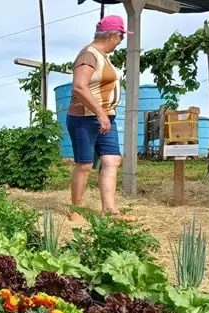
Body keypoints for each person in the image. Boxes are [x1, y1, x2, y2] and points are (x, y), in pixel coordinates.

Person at [66, 15, 133, 222]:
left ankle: (110, 210)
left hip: (106, 117)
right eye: (121, 37)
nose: (121, 41)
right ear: (113, 35)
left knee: (112, 160)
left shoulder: (103, 55)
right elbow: (79, 86)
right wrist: (100, 113)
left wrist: (105, 114)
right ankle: (75, 210)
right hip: (85, 117)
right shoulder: (89, 54)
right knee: (85, 164)